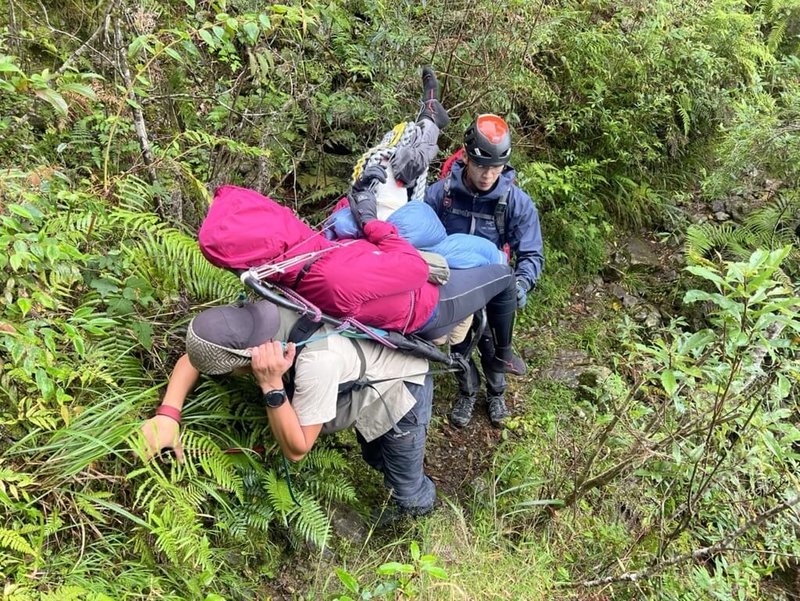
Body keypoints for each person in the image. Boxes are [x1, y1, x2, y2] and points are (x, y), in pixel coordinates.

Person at [139, 299, 438, 518]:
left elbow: (297, 449)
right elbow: (196, 357)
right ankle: (396, 485)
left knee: (404, 482)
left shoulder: (317, 362)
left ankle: (419, 515)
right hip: (365, 371)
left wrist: (271, 386)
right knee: (375, 456)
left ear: (245, 360)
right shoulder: (261, 311)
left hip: (401, 387)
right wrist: (168, 415)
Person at [424, 114, 544, 428]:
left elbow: (531, 252)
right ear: (466, 156)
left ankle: (496, 392)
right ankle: (467, 392)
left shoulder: (515, 202)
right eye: (481, 166)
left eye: (495, 168)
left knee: (493, 344)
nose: (488, 175)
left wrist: (521, 283)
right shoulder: (442, 195)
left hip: (494, 285)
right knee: (459, 346)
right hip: (454, 285)